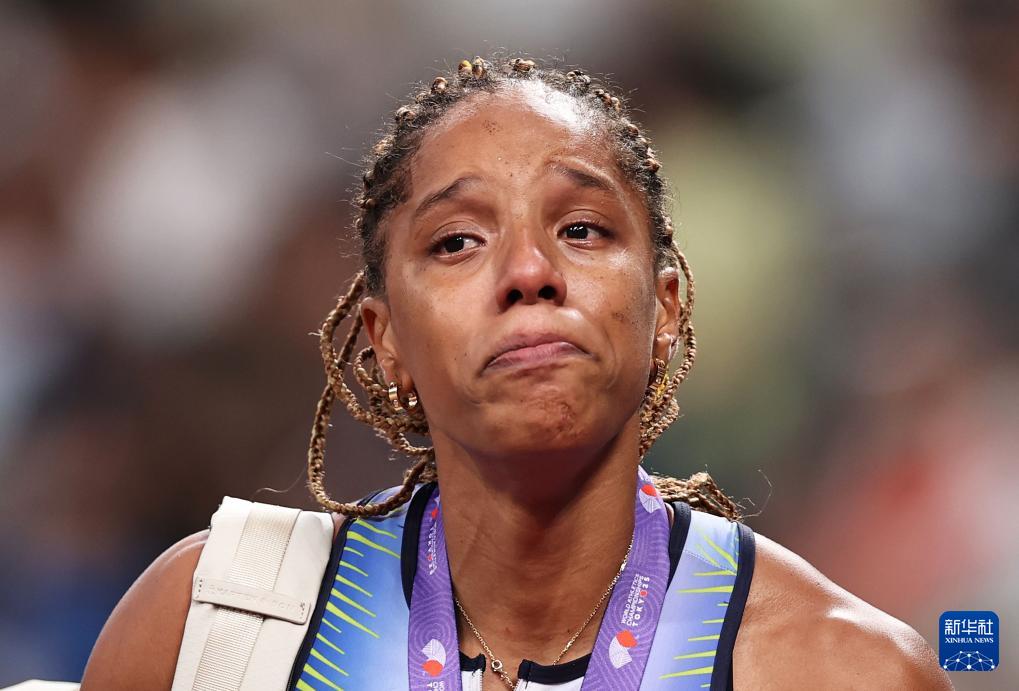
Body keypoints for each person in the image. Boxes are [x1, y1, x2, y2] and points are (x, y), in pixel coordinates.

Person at [80, 55, 952, 690]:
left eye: (581, 229)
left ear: (666, 309)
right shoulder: (204, 624)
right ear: (385, 339)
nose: (528, 271)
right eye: (457, 241)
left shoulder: (841, 670)